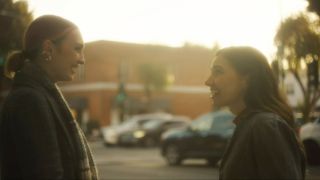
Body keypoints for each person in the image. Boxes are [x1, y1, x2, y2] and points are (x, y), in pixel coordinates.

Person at [0, 15, 98, 180]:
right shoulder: (29, 100)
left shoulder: (44, 96)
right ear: (48, 48)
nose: (82, 60)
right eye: (77, 49)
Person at [205, 46, 306, 180]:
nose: (208, 81)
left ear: (246, 79)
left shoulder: (264, 126)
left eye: (218, 71)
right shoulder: (250, 124)